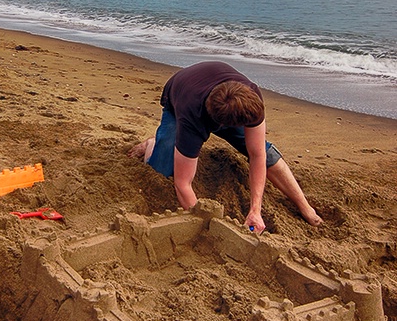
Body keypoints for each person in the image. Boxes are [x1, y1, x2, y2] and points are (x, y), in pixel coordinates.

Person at [129, 61, 322, 234]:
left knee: (266, 152)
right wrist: (209, 226)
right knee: (161, 169)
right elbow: (182, 184)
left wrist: (256, 210)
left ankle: (304, 206)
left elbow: (258, 156)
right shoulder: (191, 118)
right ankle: (152, 143)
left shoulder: (250, 96)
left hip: (223, 90)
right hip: (179, 94)